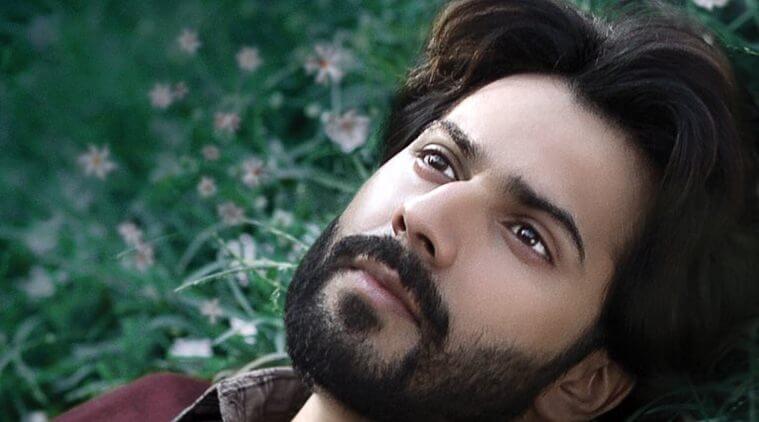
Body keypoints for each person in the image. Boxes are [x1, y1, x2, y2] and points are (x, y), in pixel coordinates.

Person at [58, 0, 759, 420]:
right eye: (439, 162)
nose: (422, 218)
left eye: (527, 234)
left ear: (585, 383)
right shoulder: (144, 408)